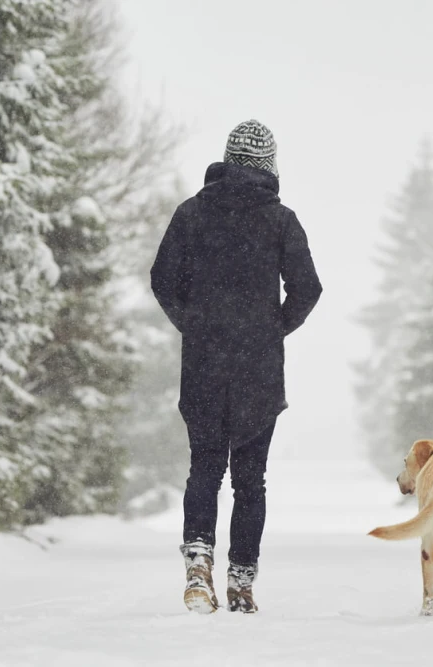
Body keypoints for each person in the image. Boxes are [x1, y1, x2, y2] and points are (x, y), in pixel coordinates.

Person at [150, 119, 322, 614]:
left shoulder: (192, 213)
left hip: (203, 364)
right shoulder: (281, 220)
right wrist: (271, 330)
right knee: (251, 478)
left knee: (204, 465)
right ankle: (241, 583)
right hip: (258, 370)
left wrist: (195, 324)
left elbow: (163, 279)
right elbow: (308, 289)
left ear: (226, 159)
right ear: (269, 166)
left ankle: (198, 566)